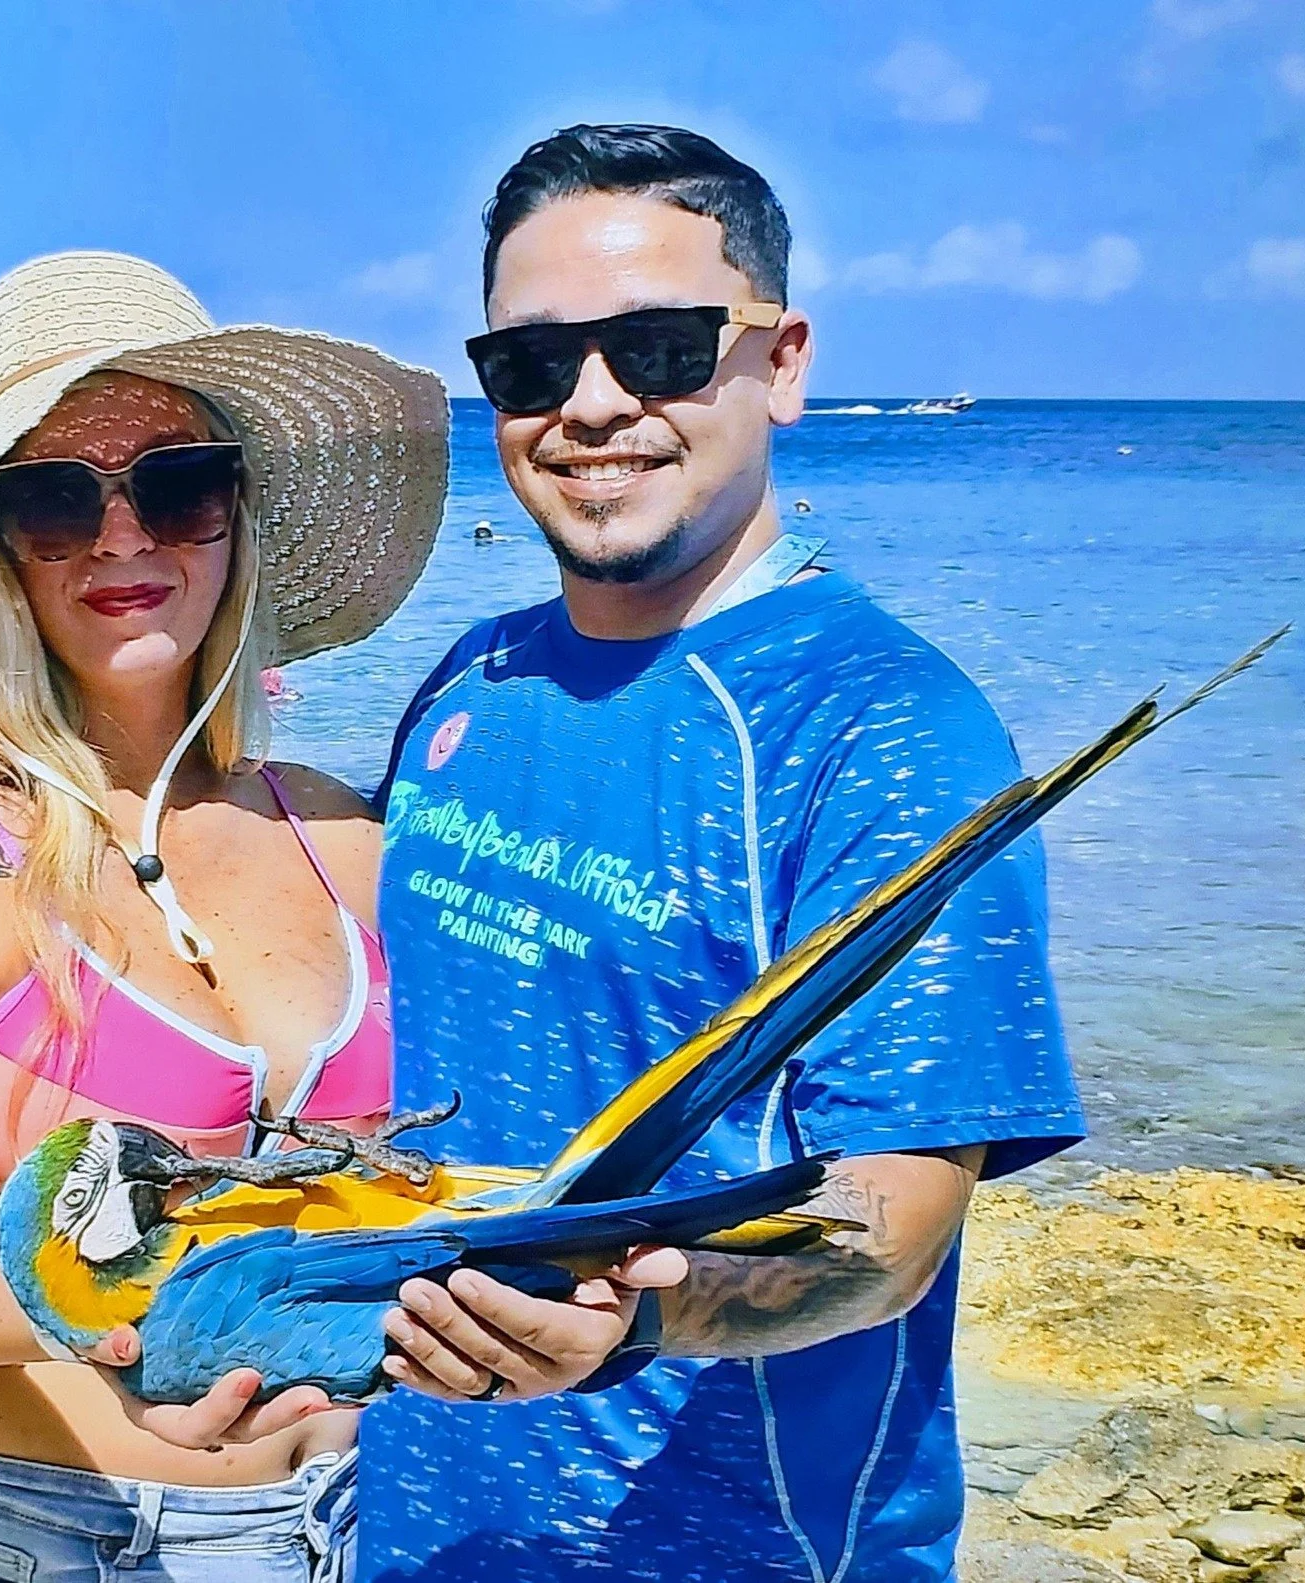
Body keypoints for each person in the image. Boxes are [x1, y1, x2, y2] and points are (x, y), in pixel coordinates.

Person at [362, 125, 1084, 1582]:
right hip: (422, 1526)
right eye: (531, 363)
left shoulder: (883, 725)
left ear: (784, 362)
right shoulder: (467, 679)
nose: (593, 404)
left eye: (661, 348)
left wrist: (637, 1314)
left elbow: (892, 1227)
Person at [0, 250, 449, 1583]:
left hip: (353, 1528)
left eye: (177, 485)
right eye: (58, 498)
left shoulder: (338, 828)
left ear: (235, 514)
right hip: (18, 1539)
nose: (125, 537)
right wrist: (152, 1321)